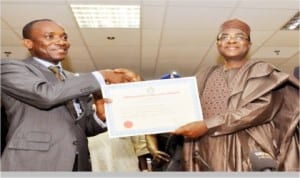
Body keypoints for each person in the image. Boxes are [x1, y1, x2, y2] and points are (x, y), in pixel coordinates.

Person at [1, 19, 139, 171]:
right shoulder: (11, 68)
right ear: (28, 43)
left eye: (64, 37)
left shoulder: (74, 80)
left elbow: (84, 128)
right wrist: (101, 75)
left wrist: (100, 117)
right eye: (50, 36)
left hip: (78, 163)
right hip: (32, 163)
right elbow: (45, 95)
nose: (61, 42)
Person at [173, 19, 299, 171]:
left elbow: (259, 109)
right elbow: (182, 106)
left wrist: (208, 125)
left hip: (248, 151)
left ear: (249, 44)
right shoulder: (203, 75)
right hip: (209, 151)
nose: (231, 40)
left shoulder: (263, 71)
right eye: (224, 37)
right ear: (218, 44)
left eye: (239, 36)